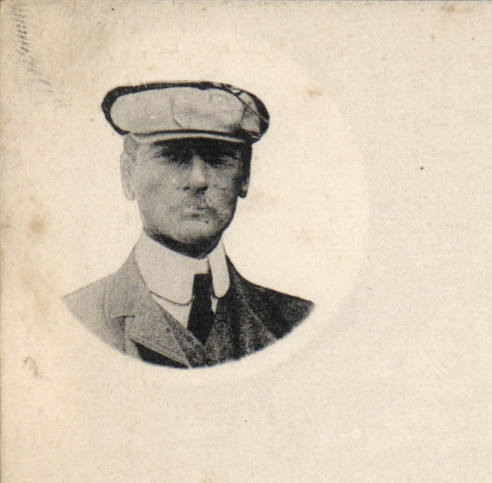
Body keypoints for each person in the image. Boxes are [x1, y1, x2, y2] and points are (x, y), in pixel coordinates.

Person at [65, 82, 312, 367]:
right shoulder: (75, 320)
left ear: (244, 176)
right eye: (173, 156)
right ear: (128, 175)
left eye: (217, 157)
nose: (198, 179)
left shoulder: (296, 321)